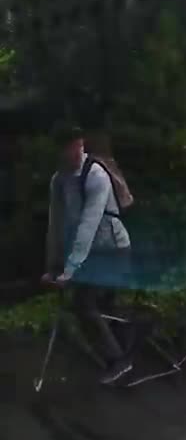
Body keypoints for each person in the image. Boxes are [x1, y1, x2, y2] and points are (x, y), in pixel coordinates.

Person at [43, 127, 135, 385]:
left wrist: (69, 270)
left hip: (113, 250)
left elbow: (88, 225)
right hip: (89, 253)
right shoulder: (58, 180)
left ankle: (119, 360)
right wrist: (52, 265)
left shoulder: (96, 175)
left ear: (80, 143)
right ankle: (127, 345)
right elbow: (56, 225)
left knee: (85, 303)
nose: (70, 152)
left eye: (73, 145)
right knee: (103, 307)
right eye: (64, 148)